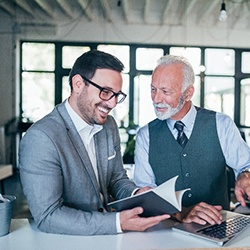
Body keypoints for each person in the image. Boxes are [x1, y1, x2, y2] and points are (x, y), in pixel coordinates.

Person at [18, 50, 169, 236]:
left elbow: (116, 179)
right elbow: (48, 216)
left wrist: (137, 194)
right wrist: (117, 223)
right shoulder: (41, 138)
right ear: (78, 84)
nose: (113, 103)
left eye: (117, 95)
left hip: (108, 239)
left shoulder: (108, 125)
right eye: (106, 92)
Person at [134, 54, 250, 226]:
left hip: (217, 226)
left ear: (188, 93)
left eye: (165, 91)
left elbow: (245, 165)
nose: (156, 99)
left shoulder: (221, 124)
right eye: (153, 89)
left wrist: (245, 175)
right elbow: (146, 194)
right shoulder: (145, 135)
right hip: (166, 230)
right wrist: (179, 212)